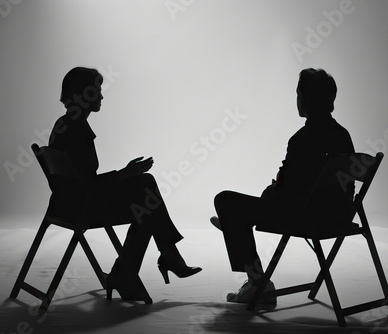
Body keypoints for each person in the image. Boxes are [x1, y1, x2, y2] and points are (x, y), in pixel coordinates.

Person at [48, 66, 201, 301]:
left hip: (71, 204)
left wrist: (126, 175)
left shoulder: (68, 123)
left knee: (146, 195)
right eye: (97, 90)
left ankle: (144, 266)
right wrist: (124, 174)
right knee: (147, 196)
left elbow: (82, 182)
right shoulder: (73, 128)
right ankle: (154, 261)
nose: (101, 96)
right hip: (80, 208)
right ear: (84, 93)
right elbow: (86, 185)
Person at [211, 68, 355, 304]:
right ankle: (235, 226)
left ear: (307, 99)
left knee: (225, 201)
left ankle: (258, 283)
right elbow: (343, 186)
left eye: (299, 94)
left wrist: (271, 191)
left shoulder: (302, 139)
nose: (296, 99)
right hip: (337, 217)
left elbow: (287, 193)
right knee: (239, 210)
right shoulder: (343, 135)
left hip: (305, 217)